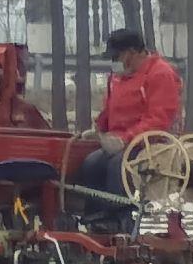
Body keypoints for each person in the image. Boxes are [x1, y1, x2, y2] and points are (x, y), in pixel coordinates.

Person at [74, 28, 183, 227]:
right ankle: (94, 216)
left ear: (131, 53)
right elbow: (109, 110)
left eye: (116, 56)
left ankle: (120, 218)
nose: (113, 61)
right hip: (119, 142)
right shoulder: (117, 77)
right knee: (91, 163)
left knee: (119, 166)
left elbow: (158, 119)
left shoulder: (160, 74)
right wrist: (98, 131)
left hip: (150, 144)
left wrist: (127, 139)